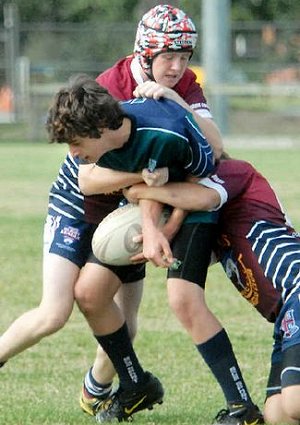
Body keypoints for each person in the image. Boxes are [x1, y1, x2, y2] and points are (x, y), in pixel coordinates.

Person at [0, 4, 221, 419]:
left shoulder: (185, 85)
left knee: (125, 319)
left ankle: (99, 386)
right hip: (78, 202)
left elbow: (215, 146)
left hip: (126, 209)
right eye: (167, 57)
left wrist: (176, 102)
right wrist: (143, 176)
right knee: (53, 312)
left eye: (183, 57)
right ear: (144, 53)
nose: (176, 67)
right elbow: (88, 178)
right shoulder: (111, 85)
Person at [47, 74, 263, 425]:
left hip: (194, 203)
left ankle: (242, 406)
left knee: (182, 297)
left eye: (75, 143)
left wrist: (170, 227)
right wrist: (150, 230)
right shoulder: (108, 143)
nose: (73, 154)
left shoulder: (169, 129)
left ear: (101, 126)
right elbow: (142, 180)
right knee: (89, 292)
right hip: (150, 204)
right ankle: (135, 384)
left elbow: (201, 177)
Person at [123, 157, 300, 425]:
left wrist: (140, 191)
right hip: (284, 316)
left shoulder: (235, 171)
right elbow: (188, 265)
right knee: (279, 415)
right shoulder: (217, 227)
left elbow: (203, 198)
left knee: (295, 402)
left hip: (296, 289)